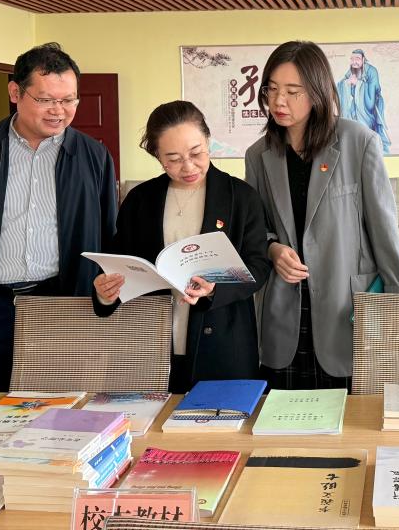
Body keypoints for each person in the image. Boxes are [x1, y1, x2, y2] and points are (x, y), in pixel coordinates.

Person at [0, 42, 117, 392]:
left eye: (69, 100)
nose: (59, 111)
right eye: (46, 99)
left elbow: (108, 239)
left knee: (54, 413)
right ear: (15, 92)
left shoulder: (94, 156)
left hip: (59, 308)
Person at [245, 40, 399, 389]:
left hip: (343, 304)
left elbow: (384, 229)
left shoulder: (358, 141)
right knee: (284, 414)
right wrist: (273, 249)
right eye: (272, 89)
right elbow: (256, 228)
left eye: (292, 92)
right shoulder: (259, 154)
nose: (279, 101)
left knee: (349, 414)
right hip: (284, 309)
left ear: (318, 92)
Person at [92, 101, 271, 392]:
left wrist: (214, 287)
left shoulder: (240, 196)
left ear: (208, 141)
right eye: (173, 159)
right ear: (157, 155)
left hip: (223, 343)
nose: (188, 167)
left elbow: (259, 266)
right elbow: (119, 261)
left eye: (196, 153)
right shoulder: (140, 200)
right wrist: (105, 292)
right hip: (150, 343)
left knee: (220, 417)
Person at [336, 48, 390, 153]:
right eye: (352, 59)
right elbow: (341, 84)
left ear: (363, 59)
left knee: (366, 128)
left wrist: (358, 84)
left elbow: (370, 102)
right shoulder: (352, 69)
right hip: (356, 105)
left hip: (370, 106)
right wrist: (346, 83)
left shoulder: (372, 71)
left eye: (357, 59)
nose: (354, 62)